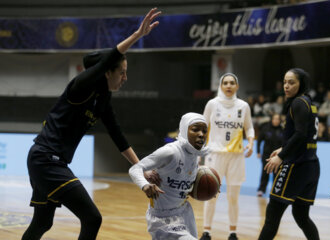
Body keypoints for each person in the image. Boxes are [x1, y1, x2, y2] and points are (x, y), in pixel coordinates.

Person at [21, 8, 161, 240]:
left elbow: (117, 136)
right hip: (46, 160)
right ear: (107, 72)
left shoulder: (103, 99)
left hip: (49, 161)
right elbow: (108, 58)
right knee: (92, 218)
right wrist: (137, 35)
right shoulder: (80, 87)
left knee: (42, 223)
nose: (125, 78)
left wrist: (141, 168)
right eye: (122, 72)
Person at [258, 68, 320, 240]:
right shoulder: (309, 102)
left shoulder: (298, 103)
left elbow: (300, 134)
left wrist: (281, 156)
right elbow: (305, 135)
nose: (286, 86)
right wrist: (283, 147)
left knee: (272, 216)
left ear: (302, 84)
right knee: (301, 216)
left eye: (291, 82)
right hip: (311, 165)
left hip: (296, 166)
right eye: (285, 82)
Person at [129, 112, 209, 240]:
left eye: (204, 131)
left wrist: (205, 187)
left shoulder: (195, 154)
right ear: (184, 129)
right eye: (195, 129)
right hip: (162, 218)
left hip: (184, 212)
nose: (201, 134)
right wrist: (144, 185)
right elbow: (135, 168)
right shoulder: (170, 152)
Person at [200, 73, 255, 240]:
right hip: (215, 154)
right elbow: (202, 126)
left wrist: (251, 142)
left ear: (237, 86)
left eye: (232, 83)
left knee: (233, 196)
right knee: (210, 195)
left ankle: (232, 232)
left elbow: (249, 128)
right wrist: (197, 151)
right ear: (221, 86)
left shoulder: (243, 106)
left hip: (236, 156)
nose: (229, 86)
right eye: (226, 83)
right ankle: (206, 231)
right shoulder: (212, 104)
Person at [256, 113, 283, 197]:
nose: (276, 121)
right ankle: (261, 190)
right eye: (274, 119)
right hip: (266, 156)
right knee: (265, 173)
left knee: (277, 173)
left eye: (278, 119)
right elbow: (259, 140)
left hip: (278, 157)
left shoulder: (283, 130)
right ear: (272, 120)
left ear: (280, 120)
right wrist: (258, 152)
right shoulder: (266, 128)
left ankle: (275, 191)